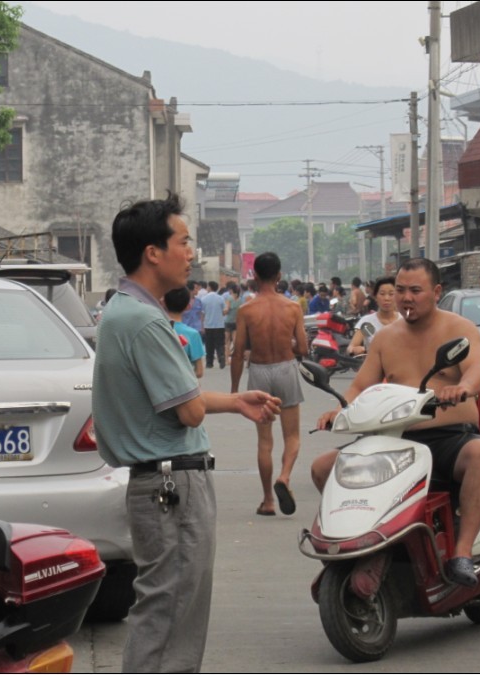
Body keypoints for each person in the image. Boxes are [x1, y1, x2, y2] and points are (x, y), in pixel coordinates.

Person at [92, 193, 281, 673]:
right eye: (183, 241)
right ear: (153, 252)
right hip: (172, 486)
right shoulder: (144, 320)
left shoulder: (123, 311)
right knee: (170, 611)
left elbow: (180, 402)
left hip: (162, 483)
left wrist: (236, 400)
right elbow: (189, 412)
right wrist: (217, 404)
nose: (190, 252)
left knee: (170, 607)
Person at [311, 258, 480, 588]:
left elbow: (475, 370)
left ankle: (462, 553)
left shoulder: (460, 329)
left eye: (415, 290)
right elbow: (360, 385)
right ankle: (364, 543)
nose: (406, 298)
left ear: (436, 291)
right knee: (325, 467)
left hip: (448, 437)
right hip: (394, 439)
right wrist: (339, 409)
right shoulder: (384, 338)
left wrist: (463, 388)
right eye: (400, 291)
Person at [231, 252, 309, 517]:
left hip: (260, 372)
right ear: (279, 276)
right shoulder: (293, 308)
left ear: (253, 275)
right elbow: (304, 348)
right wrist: (288, 343)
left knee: (265, 442)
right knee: (292, 436)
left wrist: (234, 391)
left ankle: (267, 501)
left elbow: (238, 351)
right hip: (286, 368)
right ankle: (284, 477)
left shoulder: (246, 310)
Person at [347, 276, 401, 355]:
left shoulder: (404, 321)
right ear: (375, 297)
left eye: (391, 294)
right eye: (382, 294)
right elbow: (351, 347)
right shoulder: (368, 322)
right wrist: (355, 349)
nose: (386, 298)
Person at [165, 286, 206, 378]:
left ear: (163, 303)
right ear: (188, 306)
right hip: (186, 387)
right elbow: (199, 372)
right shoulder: (193, 334)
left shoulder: (156, 329)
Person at [201, 280, 226, 369]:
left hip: (208, 325)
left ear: (210, 287)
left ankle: (209, 362)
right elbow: (224, 311)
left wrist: (202, 325)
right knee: (220, 343)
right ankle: (221, 356)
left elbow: (202, 313)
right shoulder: (221, 298)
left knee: (209, 344)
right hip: (219, 325)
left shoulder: (204, 299)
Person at [223, 283, 243, 364]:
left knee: (227, 342)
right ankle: (236, 358)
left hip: (228, 322)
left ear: (231, 290)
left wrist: (223, 312)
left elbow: (226, 310)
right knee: (235, 341)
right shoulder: (240, 300)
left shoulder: (229, 298)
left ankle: (227, 359)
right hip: (236, 322)